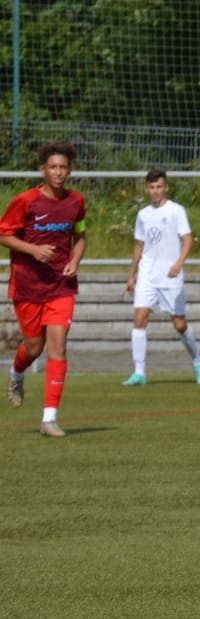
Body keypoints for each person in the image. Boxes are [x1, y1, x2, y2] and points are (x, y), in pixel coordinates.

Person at [2, 143, 88, 438]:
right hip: (27, 286)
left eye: (63, 167)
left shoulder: (77, 202)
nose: (58, 172)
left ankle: (49, 419)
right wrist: (33, 250)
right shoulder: (26, 201)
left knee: (58, 346)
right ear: (43, 170)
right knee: (34, 348)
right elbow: (3, 233)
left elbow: (80, 237)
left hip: (61, 287)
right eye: (53, 167)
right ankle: (16, 374)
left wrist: (75, 260)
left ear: (69, 170)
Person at [121, 169, 200, 386]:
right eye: (151, 187)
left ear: (166, 187)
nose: (155, 191)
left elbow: (188, 240)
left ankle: (198, 362)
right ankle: (139, 372)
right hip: (147, 275)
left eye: (159, 187)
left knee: (179, 324)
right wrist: (132, 275)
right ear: (146, 189)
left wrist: (178, 264)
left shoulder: (176, 211)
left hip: (170, 276)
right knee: (140, 318)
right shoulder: (143, 214)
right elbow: (139, 245)